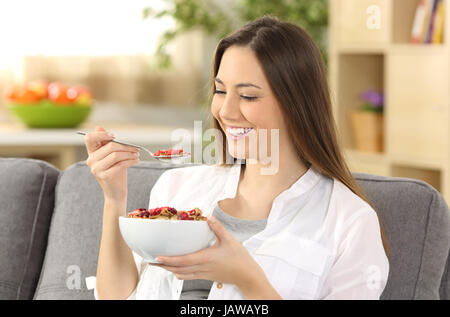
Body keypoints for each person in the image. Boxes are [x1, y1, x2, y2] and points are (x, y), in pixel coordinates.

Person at [85, 16, 389, 300]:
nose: (225, 112)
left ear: (296, 104)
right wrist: (114, 197)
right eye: (220, 91)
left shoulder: (349, 222)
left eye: (248, 96)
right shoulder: (176, 188)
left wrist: (248, 279)